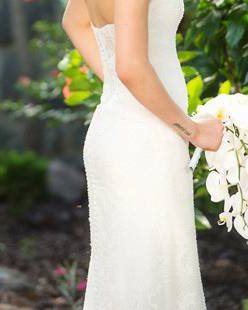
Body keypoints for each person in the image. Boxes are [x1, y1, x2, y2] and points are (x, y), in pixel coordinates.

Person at [62, 0, 223, 308]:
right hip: (143, 143)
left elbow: (74, 22)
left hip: (123, 132)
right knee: (149, 275)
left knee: (130, 276)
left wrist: (118, 87)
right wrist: (194, 130)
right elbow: (131, 67)